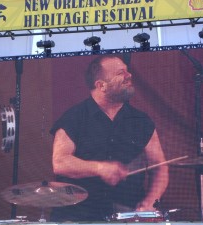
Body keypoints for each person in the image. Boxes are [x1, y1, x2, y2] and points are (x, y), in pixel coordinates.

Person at [50, 55, 169, 222]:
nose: (129, 76)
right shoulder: (73, 118)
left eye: (127, 71)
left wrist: (149, 204)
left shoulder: (141, 121)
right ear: (101, 86)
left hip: (128, 214)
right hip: (79, 215)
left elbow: (160, 168)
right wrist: (99, 168)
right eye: (121, 73)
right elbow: (60, 162)